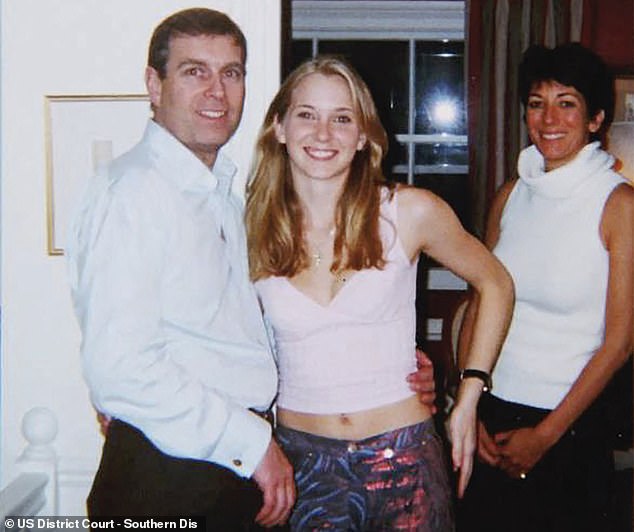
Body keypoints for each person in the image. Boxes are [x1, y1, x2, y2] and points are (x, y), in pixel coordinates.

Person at [66, 9, 437, 530]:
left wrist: (388, 364)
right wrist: (252, 442)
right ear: (154, 83)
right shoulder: (131, 192)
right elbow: (120, 368)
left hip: (233, 470)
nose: (216, 91)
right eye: (195, 71)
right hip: (168, 475)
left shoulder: (229, 199)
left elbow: (247, 335)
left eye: (231, 73)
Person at [245, 56, 514, 531]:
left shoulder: (408, 212)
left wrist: (468, 395)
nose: (323, 133)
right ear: (279, 128)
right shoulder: (249, 227)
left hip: (405, 457)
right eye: (307, 115)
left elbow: (496, 283)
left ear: (362, 136)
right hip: (303, 467)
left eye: (341, 118)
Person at [457, 43, 634, 532]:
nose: (549, 118)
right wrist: (469, 404)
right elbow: (479, 304)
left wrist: (546, 436)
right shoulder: (511, 194)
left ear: (596, 118)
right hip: (491, 415)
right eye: (537, 103)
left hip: (570, 426)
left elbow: (620, 342)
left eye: (566, 103)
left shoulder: (619, 206)